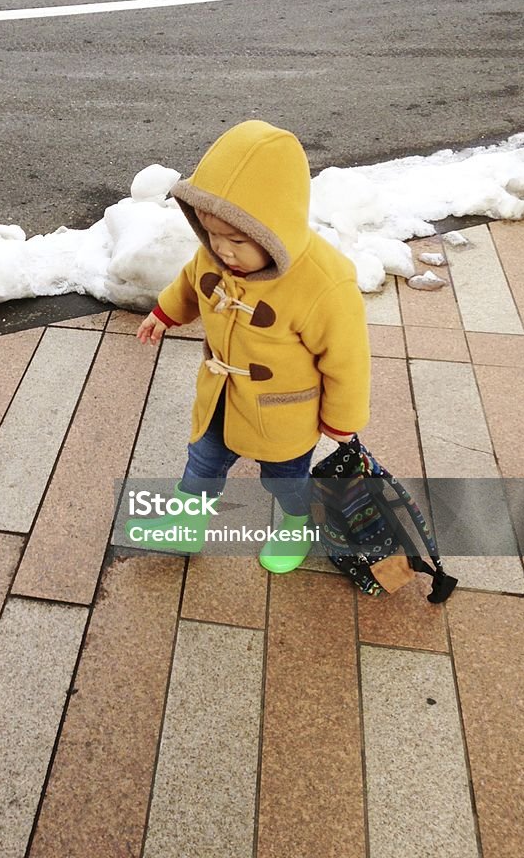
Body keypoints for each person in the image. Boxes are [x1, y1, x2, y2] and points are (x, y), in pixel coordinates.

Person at [125, 120, 371, 574]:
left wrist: (341, 419)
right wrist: (165, 313)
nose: (223, 250)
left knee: (283, 479)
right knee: (202, 461)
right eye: (211, 234)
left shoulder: (323, 282)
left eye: (237, 240)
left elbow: (348, 359)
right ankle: (186, 524)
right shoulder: (215, 255)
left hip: (284, 410)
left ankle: (298, 521)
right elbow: (191, 282)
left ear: (273, 229)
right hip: (222, 392)